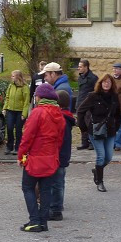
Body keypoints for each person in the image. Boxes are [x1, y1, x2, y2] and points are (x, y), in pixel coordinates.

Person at [16, 82, 65, 232]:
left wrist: (21, 155)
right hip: (51, 159)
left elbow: (27, 136)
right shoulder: (59, 114)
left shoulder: (38, 112)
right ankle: (43, 222)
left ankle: (34, 220)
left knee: (28, 187)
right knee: (45, 190)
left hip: (36, 158)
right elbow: (59, 139)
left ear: (39, 97)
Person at [77, 74, 121, 192]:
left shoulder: (114, 96)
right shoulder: (93, 96)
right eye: (104, 82)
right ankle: (99, 181)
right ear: (100, 83)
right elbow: (81, 110)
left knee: (108, 157)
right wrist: (84, 128)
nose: (106, 84)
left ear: (112, 84)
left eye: (109, 82)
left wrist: (116, 127)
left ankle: (97, 170)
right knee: (101, 156)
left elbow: (118, 114)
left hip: (110, 131)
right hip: (96, 131)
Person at [49, 89, 75, 222]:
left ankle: (55, 209)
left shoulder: (61, 119)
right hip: (64, 154)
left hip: (59, 154)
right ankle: (58, 205)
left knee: (56, 183)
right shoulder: (67, 117)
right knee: (60, 181)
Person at [3, 70, 29, 155]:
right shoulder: (11, 86)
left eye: (13, 76)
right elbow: (7, 98)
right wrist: (5, 108)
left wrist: (24, 114)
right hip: (10, 110)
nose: (11, 77)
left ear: (18, 77)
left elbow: (26, 101)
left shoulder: (24, 87)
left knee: (18, 130)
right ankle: (9, 146)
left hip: (20, 111)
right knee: (9, 128)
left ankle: (17, 147)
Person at [74, 59, 98, 150]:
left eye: (80, 66)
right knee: (81, 124)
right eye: (78, 66)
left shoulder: (93, 78)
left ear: (86, 67)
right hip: (80, 103)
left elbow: (96, 91)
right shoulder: (80, 77)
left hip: (88, 105)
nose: (78, 68)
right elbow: (81, 92)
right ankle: (84, 142)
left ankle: (92, 143)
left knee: (89, 124)